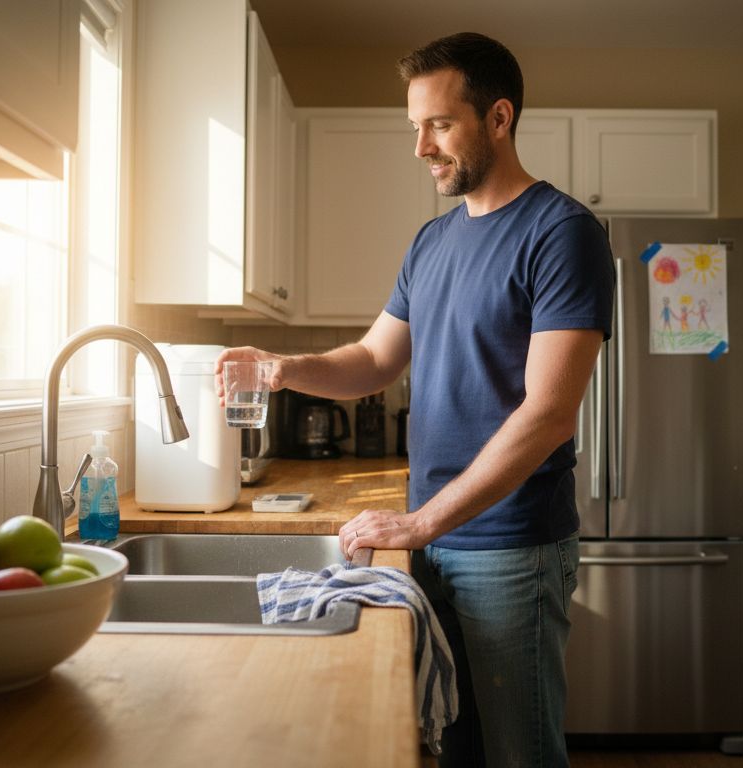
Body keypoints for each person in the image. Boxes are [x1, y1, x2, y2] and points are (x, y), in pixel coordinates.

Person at [216, 32, 614, 768]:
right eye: (415, 127)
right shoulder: (430, 244)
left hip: (510, 548)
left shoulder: (561, 234)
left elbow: (550, 412)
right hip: (431, 540)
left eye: (438, 124)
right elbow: (372, 359)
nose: (420, 146)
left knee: (518, 754)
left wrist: (420, 520)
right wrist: (283, 367)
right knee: (457, 747)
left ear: (499, 118)